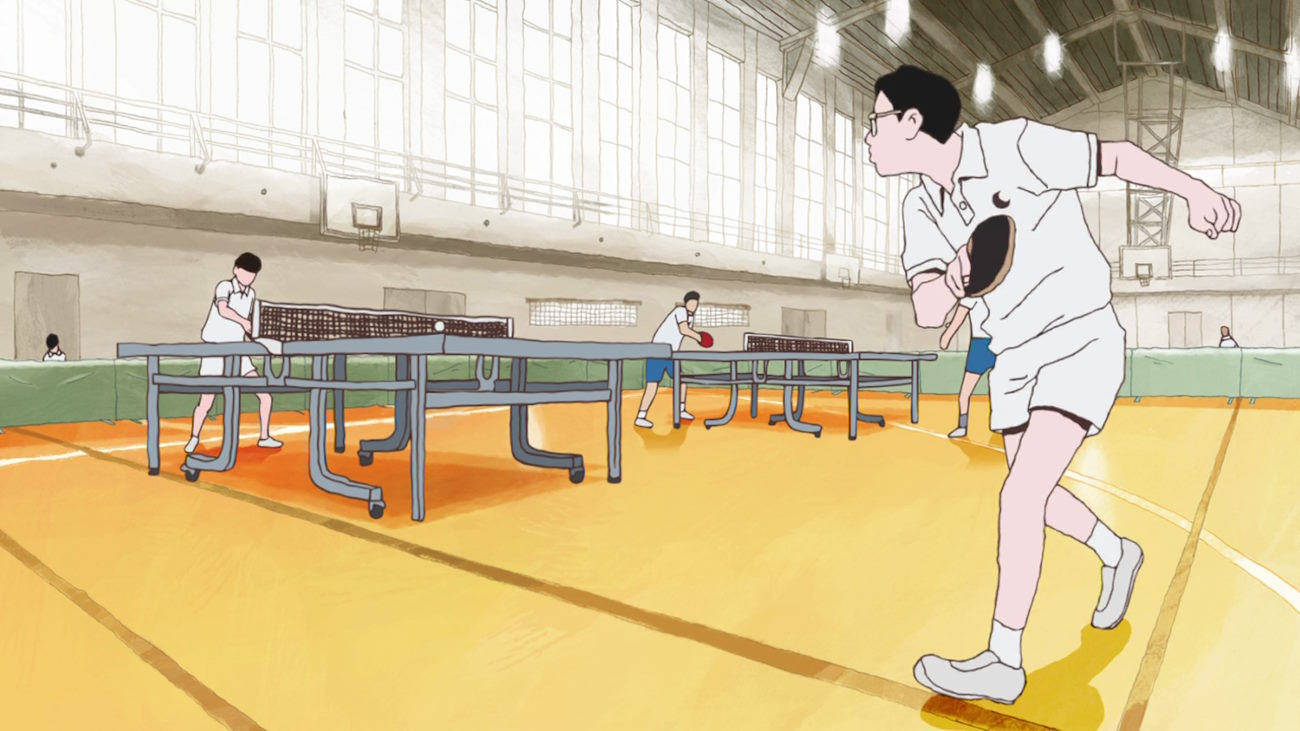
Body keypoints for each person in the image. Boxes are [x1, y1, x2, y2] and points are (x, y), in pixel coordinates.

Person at [866, 65, 1240, 704]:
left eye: (875, 123)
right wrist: (957, 272)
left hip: (1079, 336)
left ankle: (1003, 659)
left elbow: (1115, 157)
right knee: (1033, 495)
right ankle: (1117, 552)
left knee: (1020, 494)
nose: (869, 138)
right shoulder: (918, 206)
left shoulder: (1012, 145)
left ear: (911, 122)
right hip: (1013, 357)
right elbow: (928, 308)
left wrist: (1192, 190)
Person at [186, 252, 282, 454]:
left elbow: (248, 326)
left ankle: (264, 437)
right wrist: (244, 322)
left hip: (239, 352)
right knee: (206, 401)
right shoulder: (224, 286)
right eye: (245, 272)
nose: (249, 277)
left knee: (265, 396)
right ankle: (194, 437)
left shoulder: (251, 294)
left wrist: (262, 341)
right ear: (236, 270)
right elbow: (223, 310)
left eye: (252, 274)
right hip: (215, 350)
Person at [636, 291, 706, 429]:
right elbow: (684, 329)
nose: (694, 306)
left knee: (682, 380)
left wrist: (699, 337)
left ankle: (681, 410)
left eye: (696, 304)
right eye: (692, 303)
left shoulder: (690, 317)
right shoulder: (680, 311)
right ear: (686, 303)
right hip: (658, 351)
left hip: (671, 353)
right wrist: (700, 337)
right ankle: (641, 417)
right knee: (652, 385)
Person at [938, 298, 993, 438]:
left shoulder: (975, 296)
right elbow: (959, 317)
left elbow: (959, 318)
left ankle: (965, 426)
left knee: (996, 389)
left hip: (989, 344)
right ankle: (963, 426)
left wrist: (947, 336)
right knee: (967, 392)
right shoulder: (974, 296)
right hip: (983, 345)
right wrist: (947, 336)